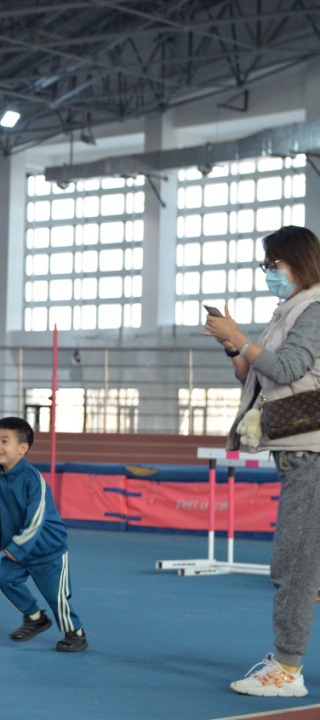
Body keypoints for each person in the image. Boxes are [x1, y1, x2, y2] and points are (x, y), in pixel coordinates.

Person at [205, 225, 320, 697]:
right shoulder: (288, 312)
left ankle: (287, 670)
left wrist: (240, 336)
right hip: (298, 449)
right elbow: (256, 376)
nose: (268, 272)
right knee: (302, 561)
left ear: (299, 262)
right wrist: (235, 346)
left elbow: (288, 369)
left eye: (273, 264)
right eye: (265, 265)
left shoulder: (313, 309)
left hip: (311, 452)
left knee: (295, 563)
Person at [0, 417, 87, 653]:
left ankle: (76, 633)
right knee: (5, 578)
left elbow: (36, 519)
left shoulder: (32, 479)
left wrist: (17, 547)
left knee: (55, 595)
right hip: (18, 547)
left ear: (22, 448)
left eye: (4, 441)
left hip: (47, 549)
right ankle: (34, 617)